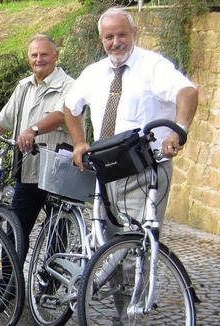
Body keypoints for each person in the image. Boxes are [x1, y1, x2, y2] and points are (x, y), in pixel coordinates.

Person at [63, 8, 198, 324]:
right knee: (111, 249)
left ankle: (132, 318)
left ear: (133, 34)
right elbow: (71, 107)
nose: (115, 42)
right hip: (107, 171)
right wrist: (80, 141)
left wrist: (179, 129)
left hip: (145, 172)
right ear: (101, 39)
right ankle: (120, 312)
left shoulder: (153, 66)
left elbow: (187, 92)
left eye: (121, 35)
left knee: (136, 249)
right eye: (109, 37)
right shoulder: (94, 73)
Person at [0, 34, 75, 257]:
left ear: (56, 56)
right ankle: (8, 288)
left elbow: (61, 115)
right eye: (34, 55)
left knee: (56, 237)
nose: (39, 59)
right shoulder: (24, 87)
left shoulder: (70, 86)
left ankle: (47, 288)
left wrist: (33, 129)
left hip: (58, 175)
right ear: (29, 58)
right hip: (28, 173)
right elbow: (1, 123)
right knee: (15, 232)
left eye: (44, 54)